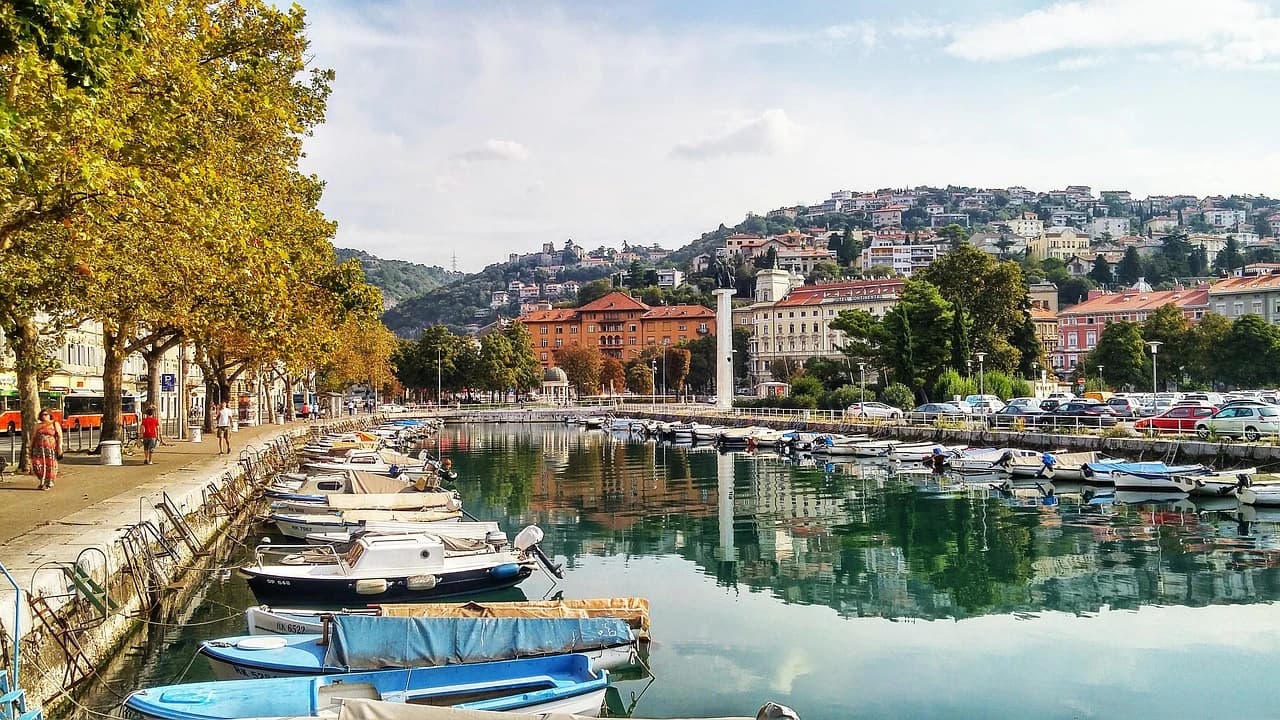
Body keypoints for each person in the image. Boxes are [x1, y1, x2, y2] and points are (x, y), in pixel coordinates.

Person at [29, 409, 62, 490]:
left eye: (46, 414)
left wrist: (59, 447)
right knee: (37, 465)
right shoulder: (38, 425)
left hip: (50, 448)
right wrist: (30, 447)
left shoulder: (54, 424)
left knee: (49, 466)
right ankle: (42, 480)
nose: (44, 416)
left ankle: (48, 483)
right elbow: (33, 437)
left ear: (50, 415)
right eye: (42, 415)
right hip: (38, 449)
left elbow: (59, 436)